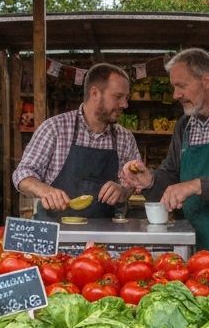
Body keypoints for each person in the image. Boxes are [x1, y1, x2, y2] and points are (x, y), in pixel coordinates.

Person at [119, 48, 209, 273]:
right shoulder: (185, 125)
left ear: (206, 81)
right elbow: (170, 174)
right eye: (174, 87)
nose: (176, 95)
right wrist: (148, 180)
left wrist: (195, 185)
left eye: (181, 86)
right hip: (191, 241)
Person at [12, 62, 141, 219]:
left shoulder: (125, 139)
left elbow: (134, 183)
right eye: (118, 97)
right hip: (54, 233)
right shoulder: (55, 128)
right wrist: (44, 190)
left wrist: (122, 191)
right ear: (94, 93)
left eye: (126, 98)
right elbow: (22, 174)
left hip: (102, 235)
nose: (125, 104)